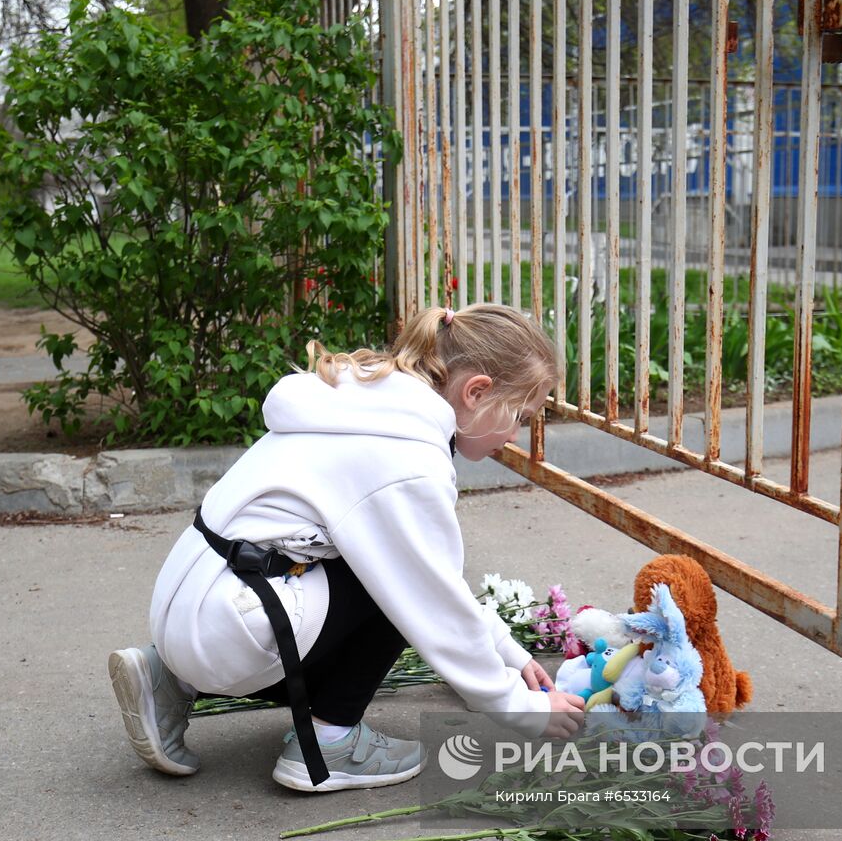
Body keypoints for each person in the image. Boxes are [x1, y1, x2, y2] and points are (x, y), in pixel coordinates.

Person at [108, 303, 586, 792]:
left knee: (389, 568)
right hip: (230, 635)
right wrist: (517, 707)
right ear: (477, 391)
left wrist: (507, 651)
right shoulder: (409, 459)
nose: (513, 436)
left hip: (188, 608)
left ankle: (170, 678)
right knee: (393, 588)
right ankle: (329, 742)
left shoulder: (361, 398)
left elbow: (430, 575)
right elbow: (432, 600)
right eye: (520, 417)